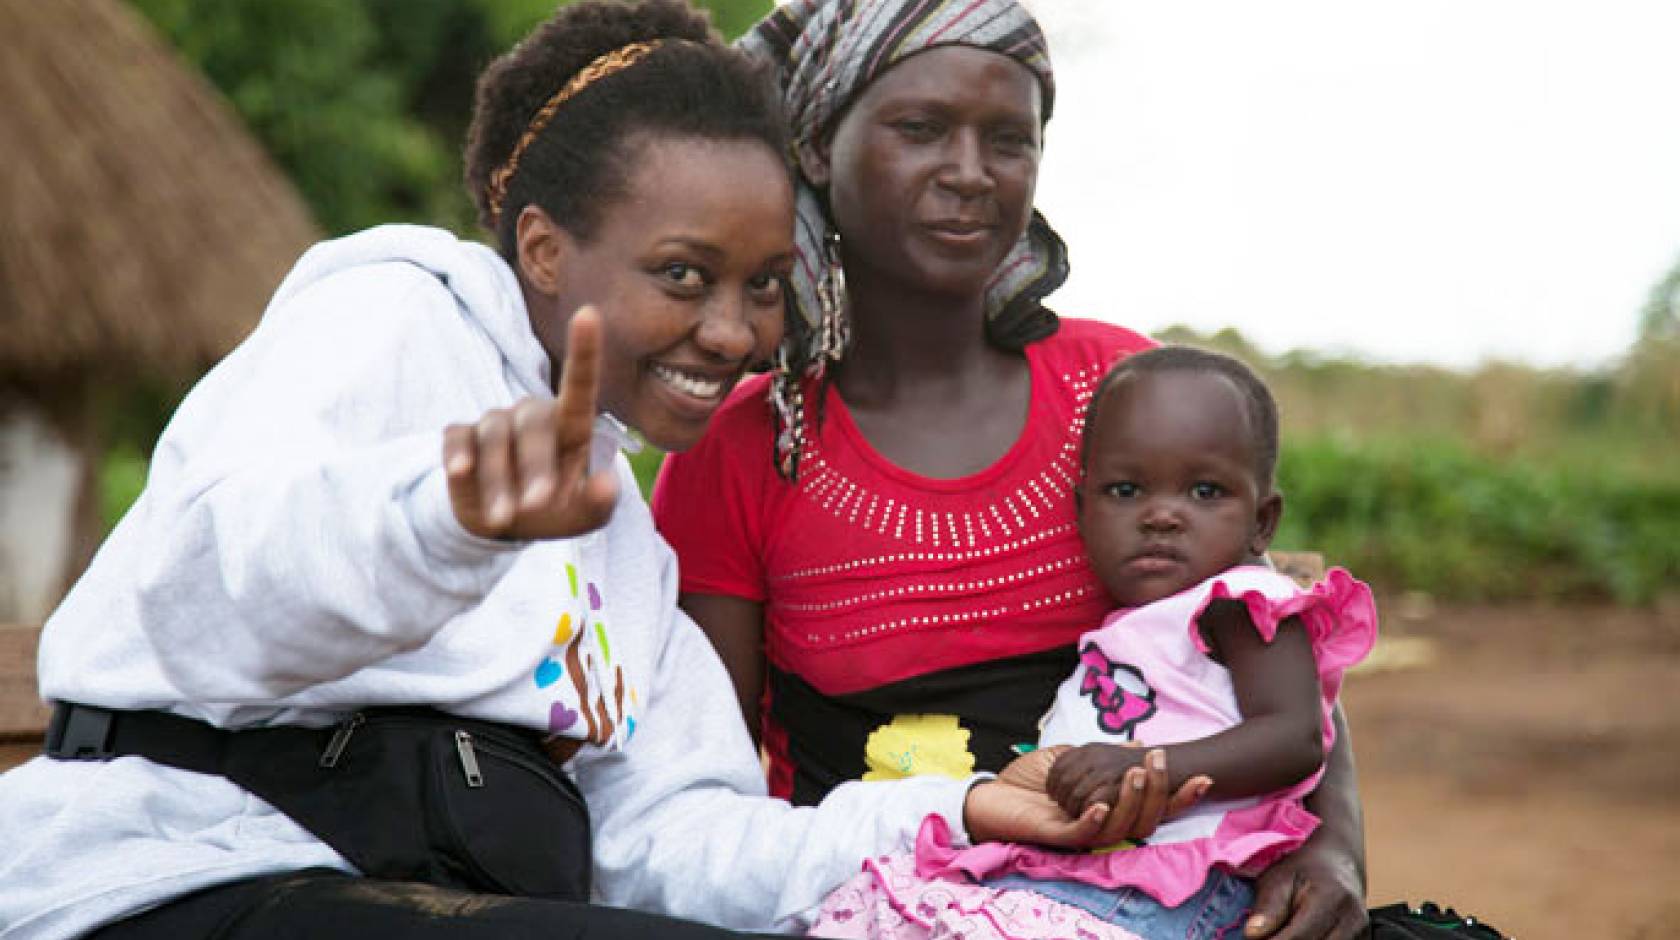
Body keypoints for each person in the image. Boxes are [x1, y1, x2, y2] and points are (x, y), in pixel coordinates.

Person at [0, 3, 1111, 937]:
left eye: (765, 283)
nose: (732, 332)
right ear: (542, 248)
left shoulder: (619, 535)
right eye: (683, 274)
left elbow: (675, 839)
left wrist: (955, 810)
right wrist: (442, 524)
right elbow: (213, 585)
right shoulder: (391, 317)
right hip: (172, 875)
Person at [653, 1, 1374, 936]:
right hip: (866, 907)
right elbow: (707, 794)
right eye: (920, 130)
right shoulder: (745, 448)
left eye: (1008, 139)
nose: (968, 174)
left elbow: (1273, 651)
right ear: (821, 148)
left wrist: (1331, 848)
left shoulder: (1121, 392)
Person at [804, 346, 1377, 939]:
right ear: (1081, 511)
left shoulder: (1237, 600)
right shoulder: (1141, 620)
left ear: (1262, 522)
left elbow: (1297, 735)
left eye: (1205, 492)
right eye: (1126, 491)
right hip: (1092, 870)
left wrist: (1147, 767)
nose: (1162, 516)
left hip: (1181, 879)